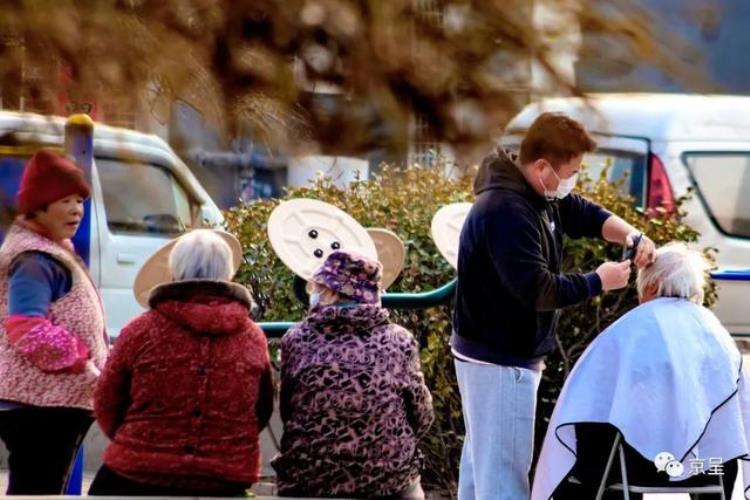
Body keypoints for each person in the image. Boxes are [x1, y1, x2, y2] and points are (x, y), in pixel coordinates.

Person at [452, 112, 658, 500]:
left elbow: (582, 212)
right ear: (543, 166)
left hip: (491, 354)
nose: (572, 181)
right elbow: (538, 291)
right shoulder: (507, 211)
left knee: (482, 468)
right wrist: (600, 280)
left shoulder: (536, 192)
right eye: (571, 172)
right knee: (501, 479)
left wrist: (631, 234)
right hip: (500, 361)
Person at [533, 243, 750, 499]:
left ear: (650, 285)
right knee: (720, 429)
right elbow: (738, 412)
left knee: (598, 436)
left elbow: (585, 402)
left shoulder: (632, 330)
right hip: (706, 468)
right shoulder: (715, 333)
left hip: (635, 468)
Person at [89, 229, 273, 496]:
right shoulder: (252, 337)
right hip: (225, 478)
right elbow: (262, 408)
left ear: (174, 270)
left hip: (138, 471)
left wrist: (139, 443)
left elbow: (106, 401)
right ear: (228, 273)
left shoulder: (140, 330)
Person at [272, 250, 434, 499]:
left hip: (310, 481)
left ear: (331, 291)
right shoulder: (399, 340)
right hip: (388, 481)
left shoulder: (296, 339)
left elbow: (289, 411)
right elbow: (421, 415)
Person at [0, 149, 109, 494]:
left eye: (80, 201)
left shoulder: (51, 250)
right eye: (66, 200)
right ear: (39, 205)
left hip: (55, 403)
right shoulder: (34, 259)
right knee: (38, 489)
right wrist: (81, 360)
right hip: (41, 407)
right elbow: (26, 327)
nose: (77, 209)